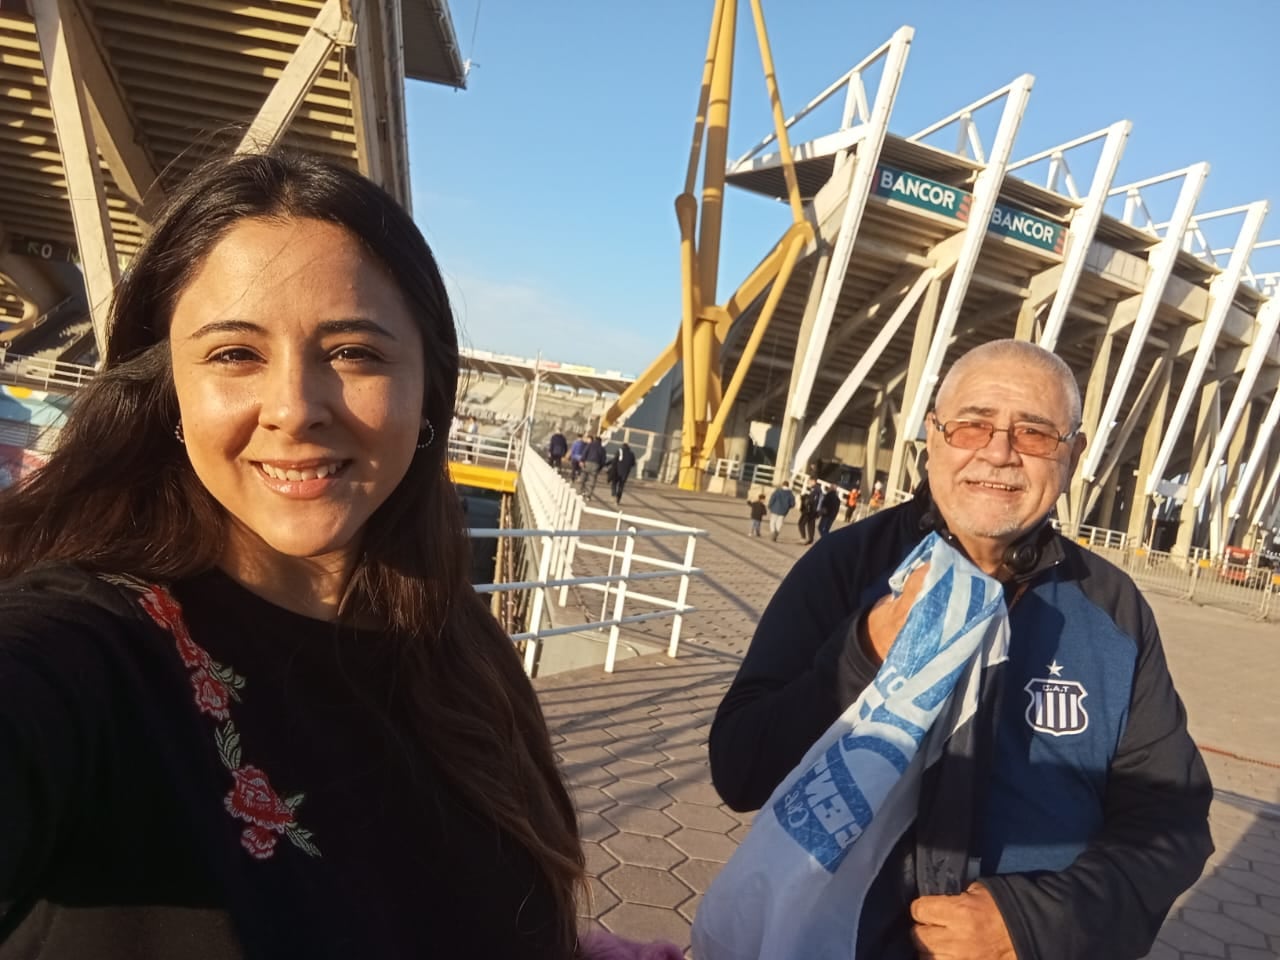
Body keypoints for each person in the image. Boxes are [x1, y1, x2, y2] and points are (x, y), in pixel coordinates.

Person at [0, 150, 670, 960]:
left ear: (430, 391)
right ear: (168, 388)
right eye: (234, 355)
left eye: (354, 353)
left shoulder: (464, 652)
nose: (294, 409)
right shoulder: (92, 650)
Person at [707, 339, 1212, 960]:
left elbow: (1173, 820)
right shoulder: (846, 568)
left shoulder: (1111, 609)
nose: (998, 452)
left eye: (1034, 434)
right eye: (972, 425)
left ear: (1073, 456)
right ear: (933, 437)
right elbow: (739, 769)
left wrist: (1032, 925)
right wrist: (858, 656)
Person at [578, 434, 607, 500]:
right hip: (595, 465)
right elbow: (603, 460)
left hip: (587, 463)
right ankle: (588, 495)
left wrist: (582, 461)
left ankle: (581, 492)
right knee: (592, 481)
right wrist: (599, 468)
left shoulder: (590, 445)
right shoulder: (602, 449)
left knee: (583, 478)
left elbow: (584, 453)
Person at [610, 441, 636, 505]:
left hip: (617, 471)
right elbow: (633, 463)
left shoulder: (619, 451)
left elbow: (614, 460)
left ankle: (614, 494)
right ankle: (618, 500)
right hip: (625, 472)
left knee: (614, 483)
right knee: (621, 486)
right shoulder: (631, 454)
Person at [797, 479, 819, 545]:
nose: (808, 483)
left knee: (801, 523)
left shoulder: (815, 490)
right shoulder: (817, 489)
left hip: (809, 510)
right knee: (811, 524)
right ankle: (810, 539)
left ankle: (803, 538)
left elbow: (812, 500)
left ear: (813, 481)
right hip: (813, 511)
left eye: (809, 481)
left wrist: (805, 498)